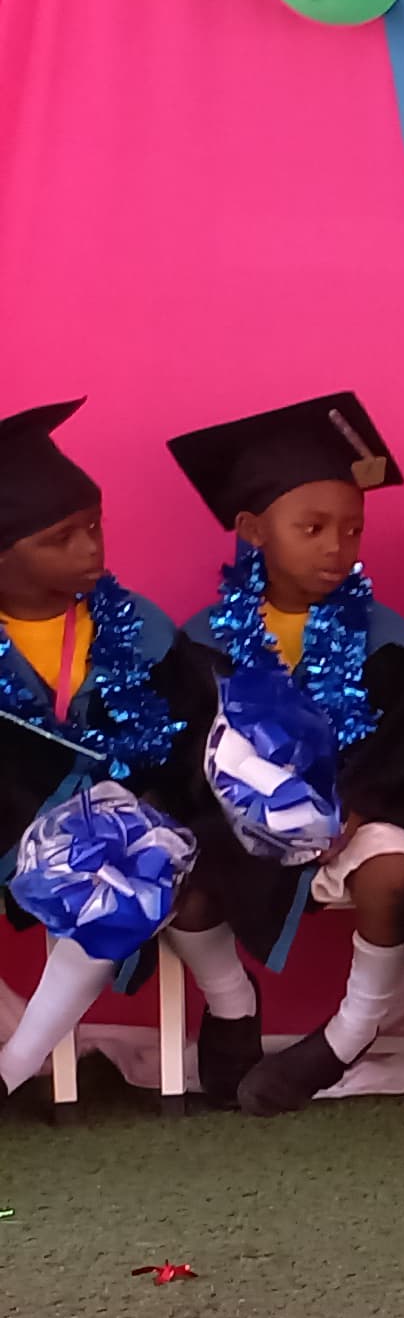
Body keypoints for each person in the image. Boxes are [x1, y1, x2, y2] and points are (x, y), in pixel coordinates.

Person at [157, 392, 404, 1116]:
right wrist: (252, 811)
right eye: (313, 528)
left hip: (354, 820)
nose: (337, 548)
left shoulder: (390, 643)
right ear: (253, 530)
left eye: (353, 530)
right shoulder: (202, 643)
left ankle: (346, 1037)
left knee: (391, 872)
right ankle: (232, 1004)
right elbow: (183, 753)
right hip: (235, 829)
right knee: (168, 873)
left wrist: (353, 808)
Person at [0, 399, 194, 1103]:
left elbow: (184, 744)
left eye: (95, 525)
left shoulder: (140, 628)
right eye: (62, 537)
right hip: (7, 821)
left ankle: (12, 1068)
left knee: (109, 873)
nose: (92, 550)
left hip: (122, 825)